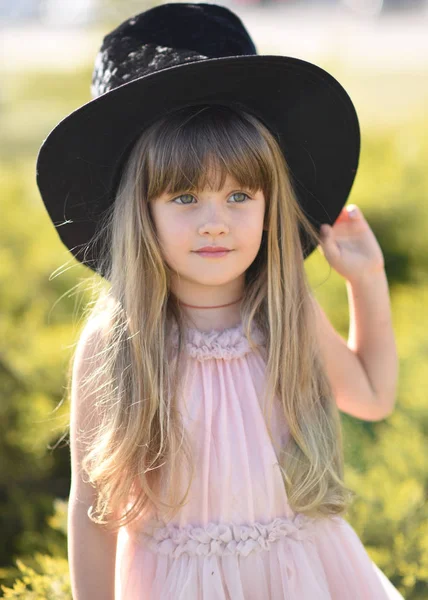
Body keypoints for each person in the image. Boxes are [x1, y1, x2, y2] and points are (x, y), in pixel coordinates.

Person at [36, 3, 403, 599]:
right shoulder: (118, 342)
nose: (215, 223)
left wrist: (368, 280)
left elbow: (373, 395)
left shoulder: (280, 313)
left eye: (239, 196)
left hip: (301, 577)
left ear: (269, 204)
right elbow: (92, 508)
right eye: (184, 197)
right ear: (141, 212)